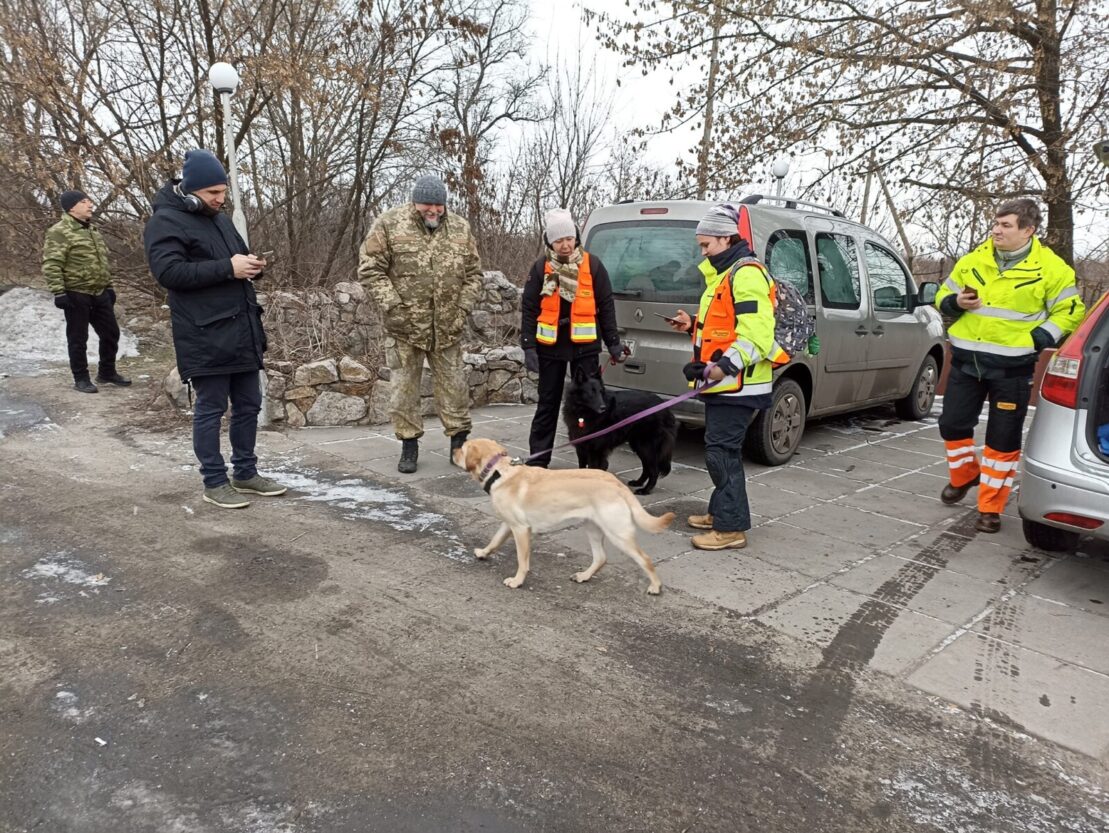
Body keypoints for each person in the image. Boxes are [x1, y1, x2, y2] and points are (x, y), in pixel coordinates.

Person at [143, 149, 287, 509]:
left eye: (223, 193)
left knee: (249, 405)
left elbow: (237, 259)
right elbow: (169, 274)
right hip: (204, 334)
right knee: (210, 409)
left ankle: (246, 473)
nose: (221, 200)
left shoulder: (220, 220)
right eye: (213, 194)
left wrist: (254, 266)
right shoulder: (165, 222)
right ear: (191, 191)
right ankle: (214, 481)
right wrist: (228, 268)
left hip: (242, 331)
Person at [935, 199, 1085, 533]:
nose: (996, 231)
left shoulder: (1053, 269)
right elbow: (943, 295)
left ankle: (990, 508)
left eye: (1006, 226)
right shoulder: (974, 259)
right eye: (995, 224)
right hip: (965, 362)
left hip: (1012, 369)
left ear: (1028, 231)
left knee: (1002, 441)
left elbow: (1071, 312)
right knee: (952, 425)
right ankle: (965, 475)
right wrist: (955, 302)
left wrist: (1039, 338)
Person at [667, 204, 782, 551]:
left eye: (706, 245)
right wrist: (691, 324)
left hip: (739, 386)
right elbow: (724, 327)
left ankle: (731, 528)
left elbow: (756, 336)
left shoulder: (745, 274)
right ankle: (721, 512)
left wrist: (721, 367)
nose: (702, 251)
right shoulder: (723, 274)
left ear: (725, 237)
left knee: (722, 453)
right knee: (719, 449)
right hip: (728, 385)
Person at [358, 174, 484, 473]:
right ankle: (409, 445)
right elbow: (370, 269)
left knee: (455, 389)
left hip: (447, 326)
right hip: (404, 328)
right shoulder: (389, 224)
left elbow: (474, 274)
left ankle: (459, 442)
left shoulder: (460, 228)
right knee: (403, 392)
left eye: (439, 205)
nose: (434, 210)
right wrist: (393, 306)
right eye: (428, 204)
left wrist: (462, 308)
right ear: (415, 202)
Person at [519, 208, 625, 467]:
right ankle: (537, 461)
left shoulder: (593, 265)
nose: (565, 245)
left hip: (585, 348)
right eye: (558, 240)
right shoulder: (540, 268)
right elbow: (530, 307)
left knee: (590, 406)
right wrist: (528, 346)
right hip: (551, 348)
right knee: (547, 406)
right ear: (549, 243)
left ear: (576, 237)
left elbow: (605, 305)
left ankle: (593, 460)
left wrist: (613, 342)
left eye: (569, 238)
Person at [42, 189, 131, 393]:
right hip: (76, 293)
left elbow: (101, 263)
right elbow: (52, 263)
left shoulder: (92, 230)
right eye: (84, 201)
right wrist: (59, 292)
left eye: (89, 201)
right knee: (78, 338)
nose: (90, 204)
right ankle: (81, 378)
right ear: (72, 207)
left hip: (99, 292)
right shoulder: (59, 231)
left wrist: (108, 287)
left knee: (111, 333)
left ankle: (107, 372)